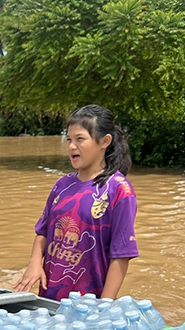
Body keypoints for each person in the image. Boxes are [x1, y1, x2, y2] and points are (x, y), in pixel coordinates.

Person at [14, 104, 139, 300]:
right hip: (49, 297)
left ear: (105, 141)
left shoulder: (119, 190)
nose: (72, 146)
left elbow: (121, 254)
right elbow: (43, 231)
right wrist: (34, 264)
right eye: (69, 140)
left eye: (80, 139)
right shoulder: (61, 185)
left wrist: (105, 305)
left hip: (88, 305)